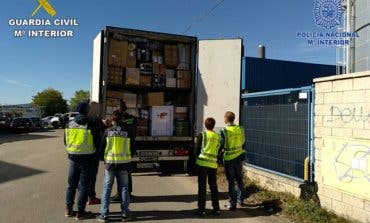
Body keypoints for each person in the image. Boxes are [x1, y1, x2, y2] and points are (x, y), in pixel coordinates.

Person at [64, 102, 100, 220]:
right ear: (88, 111)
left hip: (73, 157)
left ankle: (68, 210)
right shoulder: (91, 123)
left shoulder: (69, 123)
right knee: (84, 185)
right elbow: (97, 141)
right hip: (87, 158)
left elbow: (65, 141)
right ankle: (80, 212)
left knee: (71, 185)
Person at [97, 110, 135, 222]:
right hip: (124, 164)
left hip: (110, 164)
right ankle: (125, 214)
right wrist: (128, 157)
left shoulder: (107, 131)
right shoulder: (127, 131)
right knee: (124, 188)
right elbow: (133, 147)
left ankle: (104, 215)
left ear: (113, 119)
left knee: (107, 189)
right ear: (122, 119)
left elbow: (102, 147)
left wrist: (103, 159)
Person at [111, 100, 137, 202]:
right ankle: (128, 193)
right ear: (126, 108)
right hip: (131, 146)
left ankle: (120, 194)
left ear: (118, 108)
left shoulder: (119, 120)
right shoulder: (132, 118)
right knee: (127, 172)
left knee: (120, 173)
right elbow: (134, 129)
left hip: (122, 147)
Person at [220, 111, 246, 211]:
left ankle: (232, 204)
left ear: (226, 119)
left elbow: (221, 145)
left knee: (231, 182)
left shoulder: (224, 130)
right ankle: (240, 200)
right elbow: (244, 142)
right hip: (239, 157)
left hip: (228, 159)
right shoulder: (240, 129)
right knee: (239, 179)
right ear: (233, 118)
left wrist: (219, 156)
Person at [195, 117, 221, 216]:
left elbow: (197, 149)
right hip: (213, 164)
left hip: (202, 164)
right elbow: (219, 151)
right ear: (213, 125)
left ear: (205, 125)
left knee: (202, 187)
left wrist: (197, 159)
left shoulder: (202, 135)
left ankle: (202, 210)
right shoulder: (217, 136)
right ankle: (216, 209)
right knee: (213, 187)